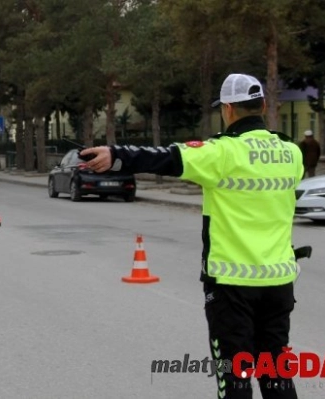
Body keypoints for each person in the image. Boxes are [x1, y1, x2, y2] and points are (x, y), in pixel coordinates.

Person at [81, 73, 303, 399]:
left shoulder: (222, 153)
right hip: (279, 284)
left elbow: (166, 157)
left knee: (235, 381)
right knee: (277, 377)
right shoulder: (291, 153)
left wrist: (116, 155)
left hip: (232, 286)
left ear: (227, 109)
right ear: (264, 105)